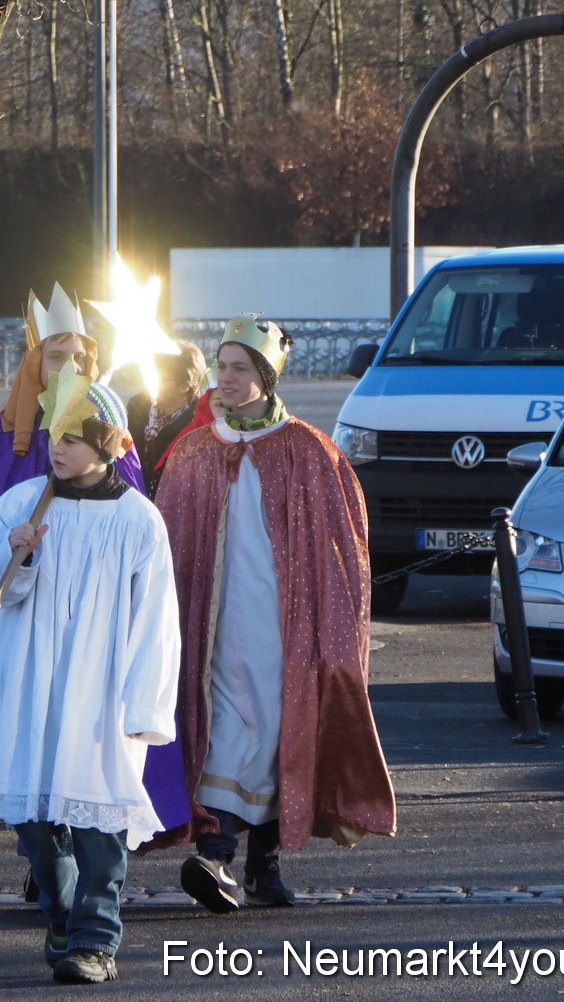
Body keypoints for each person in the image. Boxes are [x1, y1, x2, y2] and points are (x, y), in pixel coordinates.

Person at [0, 284, 184, 844]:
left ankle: (84, 837)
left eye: (80, 358)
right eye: (56, 356)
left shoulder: (104, 427)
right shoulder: (4, 433)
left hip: (91, 605)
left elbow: (125, 506)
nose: (69, 366)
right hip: (24, 592)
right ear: (36, 361)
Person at [154, 315, 395, 913]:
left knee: (278, 731)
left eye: (239, 368)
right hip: (208, 627)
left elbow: (345, 550)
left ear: (264, 376)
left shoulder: (310, 451)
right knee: (221, 731)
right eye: (221, 365)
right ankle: (218, 853)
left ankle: (260, 862)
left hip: (282, 626)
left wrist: (335, 629)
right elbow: (167, 544)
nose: (225, 378)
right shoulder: (192, 450)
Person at [0, 365, 179, 984]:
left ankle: (95, 939)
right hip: (32, 684)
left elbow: (156, 619)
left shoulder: (139, 520)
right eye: (54, 435)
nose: (57, 448)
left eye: (74, 437)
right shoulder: (21, 502)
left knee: (99, 822)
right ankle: (60, 909)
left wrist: (144, 705)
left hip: (103, 692)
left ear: (108, 443)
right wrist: (16, 551)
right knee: (36, 821)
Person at [125, 344, 207, 497]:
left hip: (173, 503)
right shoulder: (136, 406)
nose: (151, 381)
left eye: (161, 377)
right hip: (133, 498)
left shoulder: (198, 422)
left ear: (185, 385)